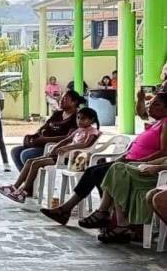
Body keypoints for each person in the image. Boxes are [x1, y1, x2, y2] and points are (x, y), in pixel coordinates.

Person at [42, 91, 167, 225]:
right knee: (93, 171)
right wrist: (140, 99)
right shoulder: (156, 122)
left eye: (156, 104)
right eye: (150, 103)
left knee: (98, 172)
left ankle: (97, 212)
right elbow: (142, 112)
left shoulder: (165, 123)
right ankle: (75, 210)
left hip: (138, 165)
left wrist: (142, 161)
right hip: (128, 161)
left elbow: (164, 152)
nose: (150, 106)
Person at [0, 107, 100, 202]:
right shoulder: (78, 130)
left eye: (83, 118)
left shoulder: (92, 132)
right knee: (30, 161)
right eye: (78, 118)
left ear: (91, 120)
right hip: (62, 156)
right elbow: (66, 139)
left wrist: (68, 147)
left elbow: (86, 145)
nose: (79, 121)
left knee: (36, 164)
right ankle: (14, 187)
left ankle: (24, 192)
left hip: (72, 160)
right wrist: (56, 147)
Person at [11, 90, 82, 171]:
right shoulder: (57, 114)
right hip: (42, 144)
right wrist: (33, 136)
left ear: (74, 102)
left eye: (65, 99)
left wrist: (45, 140)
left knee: (26, 155)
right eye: (61, 98)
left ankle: (31, 181)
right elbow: (44, 127)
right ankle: (26, 181)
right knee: (15, 151)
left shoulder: (77, 117)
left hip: (54, 148)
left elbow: (69, 137)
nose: (61, 100)